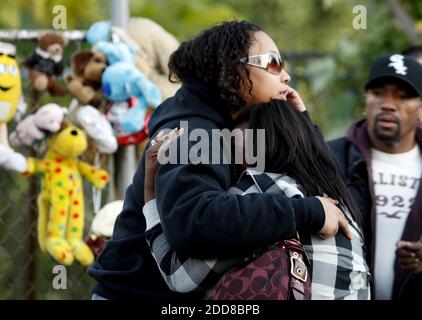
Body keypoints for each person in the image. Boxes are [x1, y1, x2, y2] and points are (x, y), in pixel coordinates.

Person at [88, 20, 349, 300]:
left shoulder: (220, 125)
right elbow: (197, 221)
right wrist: (307, 212)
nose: (284, 76)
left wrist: (301, 122)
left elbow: (304, 170)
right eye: (273, 63)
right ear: (236, 70)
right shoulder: (191, 131)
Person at [143, 99, 370, 300]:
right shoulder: (340, 204)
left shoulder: (258, 188)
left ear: (260, 135)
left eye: (233, 132)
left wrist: (150, 195)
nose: (224, 142)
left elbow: (180, 277)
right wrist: (302, 120)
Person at [328, 54, 422, 299]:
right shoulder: (329, 159)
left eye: (403, 96)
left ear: (421, 108)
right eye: (379, 92)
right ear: (365, 101)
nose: (388, 104)